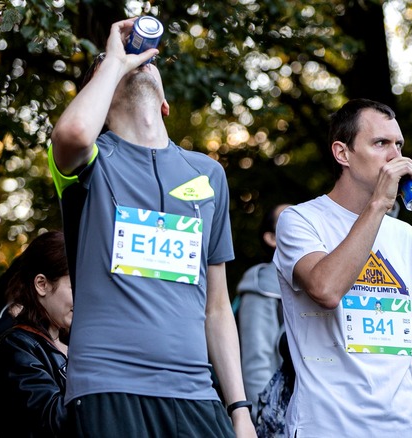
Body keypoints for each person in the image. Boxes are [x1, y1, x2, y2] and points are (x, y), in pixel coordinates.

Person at [48, 18, 255, 437]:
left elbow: (217, 307)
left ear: (165, 104)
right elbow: (72, 132)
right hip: (108, 386)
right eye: (110, 68)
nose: (134, 64)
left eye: (144, 62)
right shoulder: (90, 163)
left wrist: (240, 409)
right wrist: (113, 60)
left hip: (196, 392)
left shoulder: (209, 174)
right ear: (100, 101)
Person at [273, 98, 412, 437]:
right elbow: (325, 289)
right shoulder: (301, 220)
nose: (395, 155)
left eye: (399, 144)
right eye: (380, 143)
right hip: (327, 428)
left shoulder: (404, 236)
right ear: (342, 153)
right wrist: (378, 205)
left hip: (403, 429)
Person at [0, 230, 72, 437]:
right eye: (74, 286)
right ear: (42, 284)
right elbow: (55, 421)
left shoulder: (76, 343)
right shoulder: (17, 346)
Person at [237, 203, 292, 425]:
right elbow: (256, 360)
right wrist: (264, 419)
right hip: (278, 420)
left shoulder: (321, 282)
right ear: (271, 238)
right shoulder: (262, 283)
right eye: (289, 220)